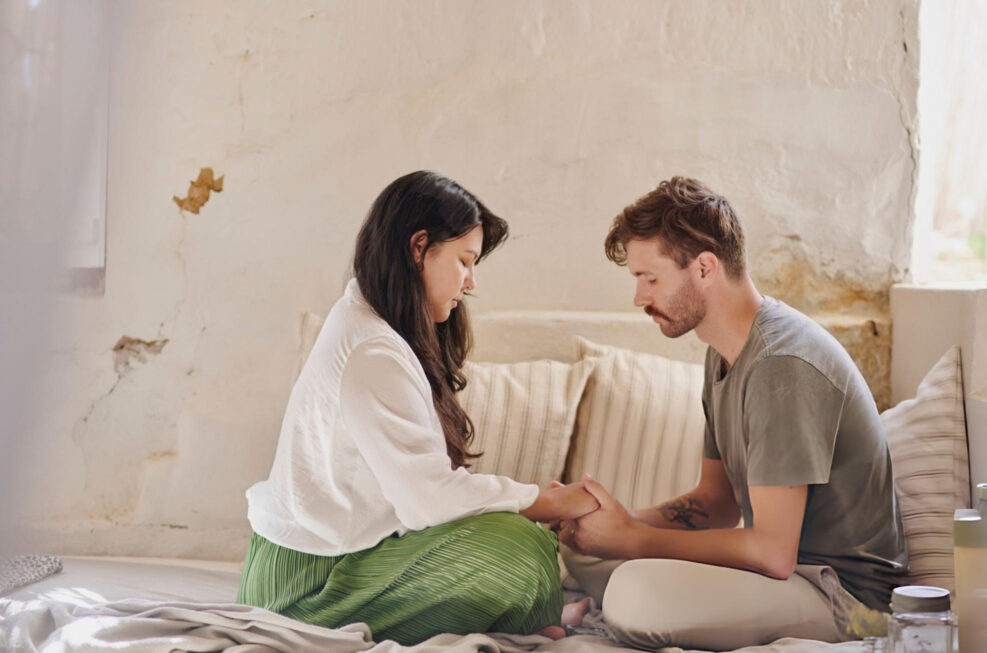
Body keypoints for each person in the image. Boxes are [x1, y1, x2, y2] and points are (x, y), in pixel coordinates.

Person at [238, 171, 595, 645]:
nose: (471, 282)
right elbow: (429, 499)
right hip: (305, 587)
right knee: (522, 549)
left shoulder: (372, 320)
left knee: (516, 540)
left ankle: (526, 614)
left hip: (339, 560)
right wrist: (546, 501)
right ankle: (527, 614)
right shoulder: (372, 349)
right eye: (465, 261)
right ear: (419, 247)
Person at [557, 177, 907, 650]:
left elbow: (773, 552)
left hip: (844, 598)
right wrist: (615, 523)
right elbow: (715, 503)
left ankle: (617, 606)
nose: (639, 298)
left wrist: (633, 539)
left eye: (650, 279)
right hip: (784, 577)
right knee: (583, 553)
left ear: (704, 268)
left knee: (633, 591)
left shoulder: (782, 363)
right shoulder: (721, 352)